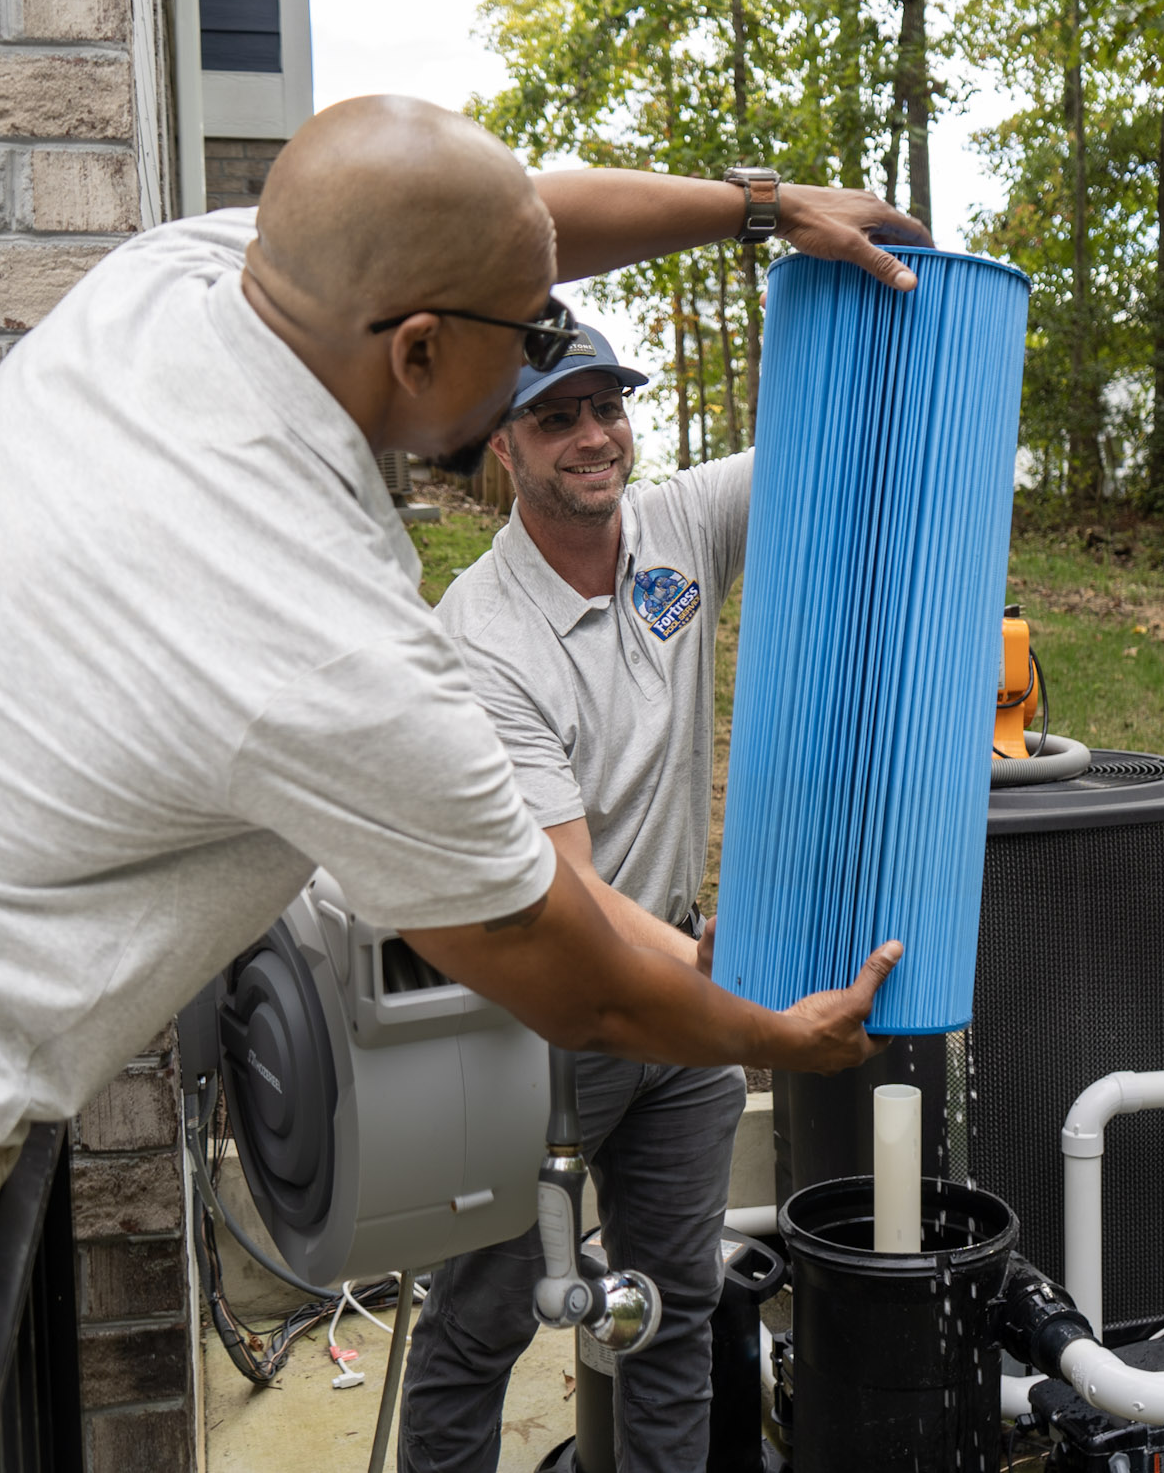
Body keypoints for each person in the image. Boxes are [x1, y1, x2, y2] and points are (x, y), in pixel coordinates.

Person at [0, 95, 930, 1472]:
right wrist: (774, 1027)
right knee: (488, 1304)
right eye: (529, 354)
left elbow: (506, 229)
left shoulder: (179, 286)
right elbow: (566, 961)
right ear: (421, 353)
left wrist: (761, 205)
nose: (558, 377)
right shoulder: (329, 627)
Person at [401, 323, 749, 1472]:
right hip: (550, 1020)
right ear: (503, 443)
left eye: (607, 406)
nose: (594, 436)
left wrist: (862, 267)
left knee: (674, 1307)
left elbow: (829, 446)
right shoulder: (483, 638)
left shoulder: (676, 523)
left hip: (679, 998)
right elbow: (573, 896)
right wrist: (727, 998)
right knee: (481, 1322)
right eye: (558, 416)